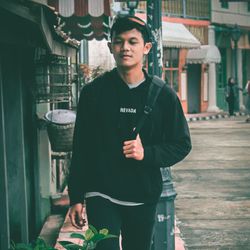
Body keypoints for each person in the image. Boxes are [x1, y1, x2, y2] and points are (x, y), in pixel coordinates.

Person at [68, 15, 192, 250]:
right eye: (119, 41)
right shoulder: (93, 93)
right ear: (110, 47)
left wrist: (147, 153)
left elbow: (181, 143)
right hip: (100, 192)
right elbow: (82, 147)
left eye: (132, 42)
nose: (125, 47)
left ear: (146, 48)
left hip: (142, 194)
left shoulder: (163, 95)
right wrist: (76, 197)